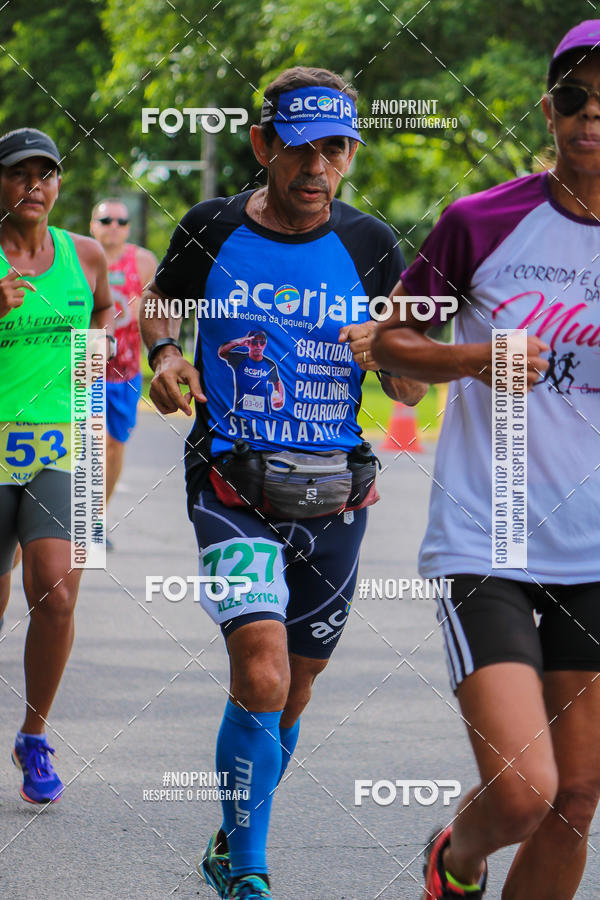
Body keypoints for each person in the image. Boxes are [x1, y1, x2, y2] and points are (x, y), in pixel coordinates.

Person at [140, 66, 426, 900]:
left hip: (338, 493)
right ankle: (251, 870)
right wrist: (165, 353)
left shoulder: (372, 244)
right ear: (264, 145)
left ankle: (231, 835)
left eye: (335, 150)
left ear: (350, 155)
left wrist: (394, 355)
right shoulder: (212, 226)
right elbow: (162, 302)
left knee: (295, 686)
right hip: (229, 483)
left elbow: (410, 386)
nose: (316, 169)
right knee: (260, 670)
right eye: (299, 149)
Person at [373, 20, 600, 900]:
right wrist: (478, 356)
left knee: (578, 796)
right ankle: (455, 857)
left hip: (594, 549)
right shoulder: (482, 221)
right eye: (574, 100)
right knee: (523, 793)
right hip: (489, 536)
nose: (589, 119)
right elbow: (388, 345)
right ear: (547, 111)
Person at [0, 128, 112, 803]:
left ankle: (35, 735)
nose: (34, 186)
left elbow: (98, 314)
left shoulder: (85, 255)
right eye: (20, 174)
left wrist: (91, 419)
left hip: (59, 447)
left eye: (46, 175)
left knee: (58, 589)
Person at [90, 198, 157, 544]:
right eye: (106, 220)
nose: (113, 226)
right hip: (85, 370)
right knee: (89, 443)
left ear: (128, 227)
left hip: (126, 371)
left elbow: (157, 313)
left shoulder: (143, 262)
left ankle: (97, 518)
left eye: (120, 220)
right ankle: (72, 517)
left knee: (114, 446)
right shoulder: (80, 259)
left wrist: (162, 357)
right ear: (93, 225)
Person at [218, 329, 285, 412]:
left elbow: (277, 382)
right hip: (241, 413)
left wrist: (280, 397)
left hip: (263, 414)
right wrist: (238, 342)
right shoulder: (239, 359)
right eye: (254, 342)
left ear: (265, 344)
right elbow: (222, 352)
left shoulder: (270, 364)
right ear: (248, 343)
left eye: (262, 342)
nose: (258, 345)